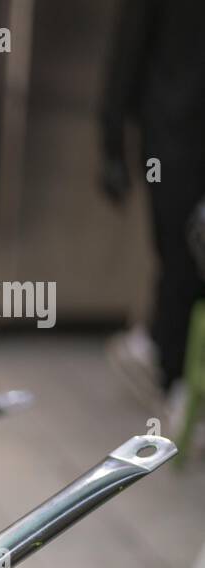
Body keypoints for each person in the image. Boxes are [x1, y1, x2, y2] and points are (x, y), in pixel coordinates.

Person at [99, 0, 205, 433]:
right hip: (174, 141)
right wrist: (110, 144)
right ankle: (175, 379)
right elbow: (128, 49)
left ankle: (156, 349)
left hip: (176, 136)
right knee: (182, 261)